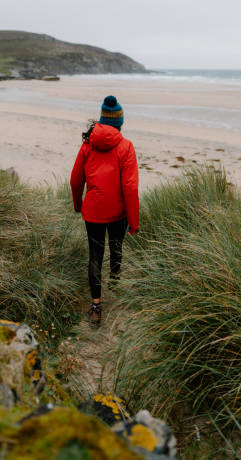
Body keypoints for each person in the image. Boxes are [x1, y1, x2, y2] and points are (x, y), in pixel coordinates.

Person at [70, 95, 139, 325]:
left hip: (94, 211)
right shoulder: (126, 146)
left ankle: (96, 305)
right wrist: (134, 220)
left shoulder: (88, 143)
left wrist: (78, 204)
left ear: (101, 119)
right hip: (118, 212)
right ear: (119, 122)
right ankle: (115, 284)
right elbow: (130, 187)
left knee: (95, 255)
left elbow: (75, 180)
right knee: (116, 247)